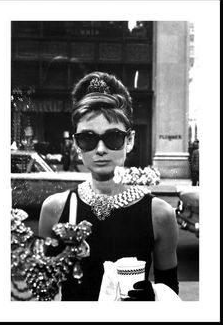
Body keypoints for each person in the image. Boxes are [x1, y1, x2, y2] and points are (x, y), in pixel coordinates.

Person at [39, 72, 179, 301]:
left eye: (113, 137)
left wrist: (153, 296)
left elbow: (171, 293)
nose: (101, 149)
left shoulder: (159, 214)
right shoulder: (54, 208)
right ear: (76, 144)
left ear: (130, 140)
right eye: (88, 138)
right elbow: (44, 294)